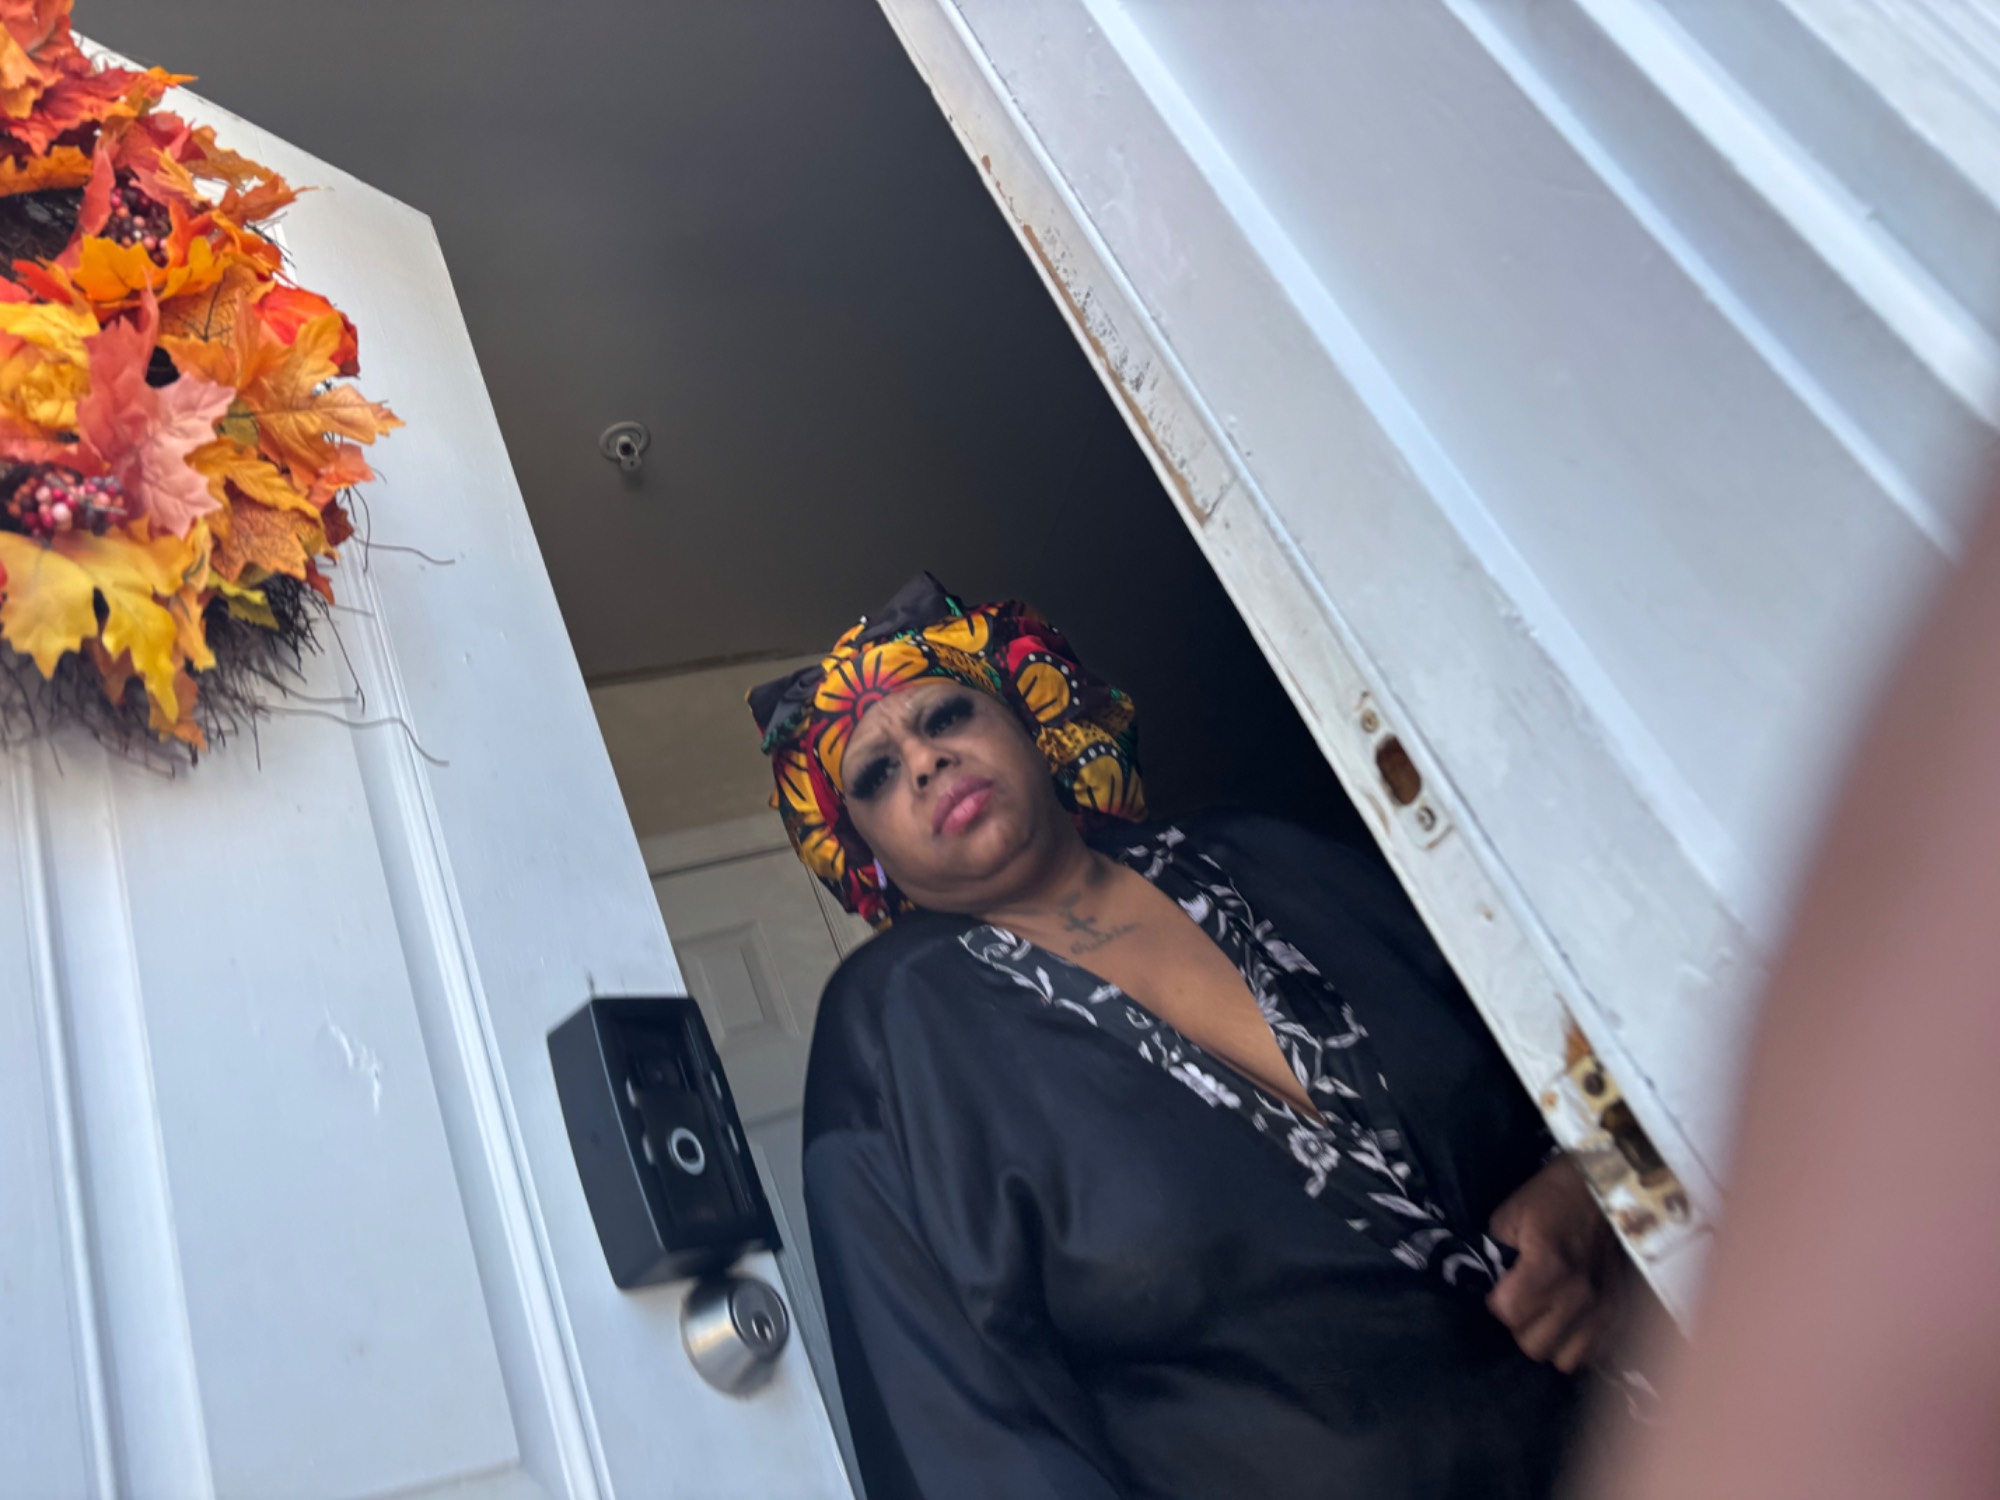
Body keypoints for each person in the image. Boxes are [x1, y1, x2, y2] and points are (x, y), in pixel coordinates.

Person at [748, 574, 1634, 1500]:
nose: (926, 761)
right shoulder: (891, 1027)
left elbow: (1586, 1033)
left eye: (946, 715)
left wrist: (1595, 1184)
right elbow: (956, 1434)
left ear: (1028, 714)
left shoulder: (1267, 853)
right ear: (864, 853)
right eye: (877, 775)